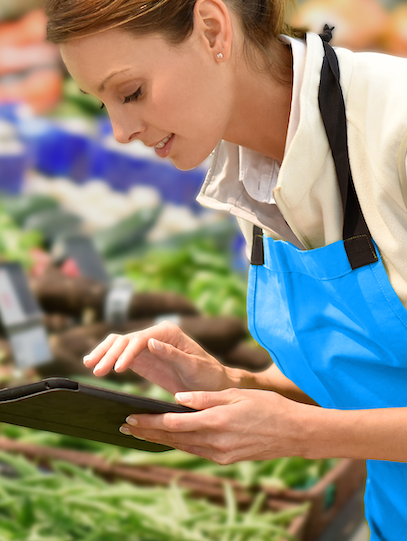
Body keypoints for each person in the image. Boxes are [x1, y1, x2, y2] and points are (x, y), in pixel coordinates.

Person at [45, 0, 407, 537]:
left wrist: (303, 435)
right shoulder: (250, 171)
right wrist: (236, 383)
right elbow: (375, 378)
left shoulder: (395, 129)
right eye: (103, 105)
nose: (121, 131)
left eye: (132, 92)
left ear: (213, 28)